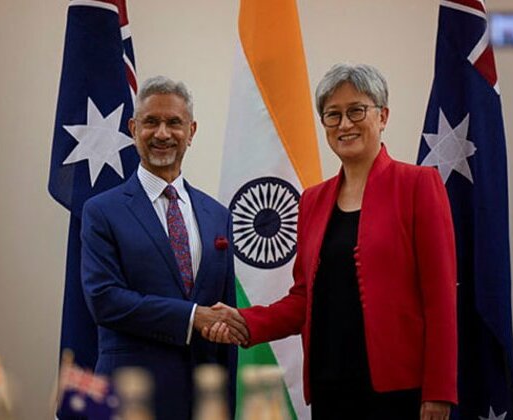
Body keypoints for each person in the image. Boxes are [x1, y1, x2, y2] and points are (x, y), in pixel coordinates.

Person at [204, 64, 457, 420]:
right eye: (332, 115)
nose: (344, 124)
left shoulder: (419, 186)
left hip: (400, 390)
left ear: (382, 116)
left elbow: (441, 298)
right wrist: (245, 322)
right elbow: (303, 298)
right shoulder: (312, 200)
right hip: (330, 385)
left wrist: (439, 391)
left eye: (356, 110)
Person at [81, 76, 248, 420]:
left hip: (203, 403)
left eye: (174, 122)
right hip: (130, 401)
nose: (162, 133)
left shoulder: (217, 216)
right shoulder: (102, 211)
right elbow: (104, 300)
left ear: (192, 130)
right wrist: (192, 317)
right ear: (132, 128)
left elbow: (225, 316)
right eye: (151, 122)